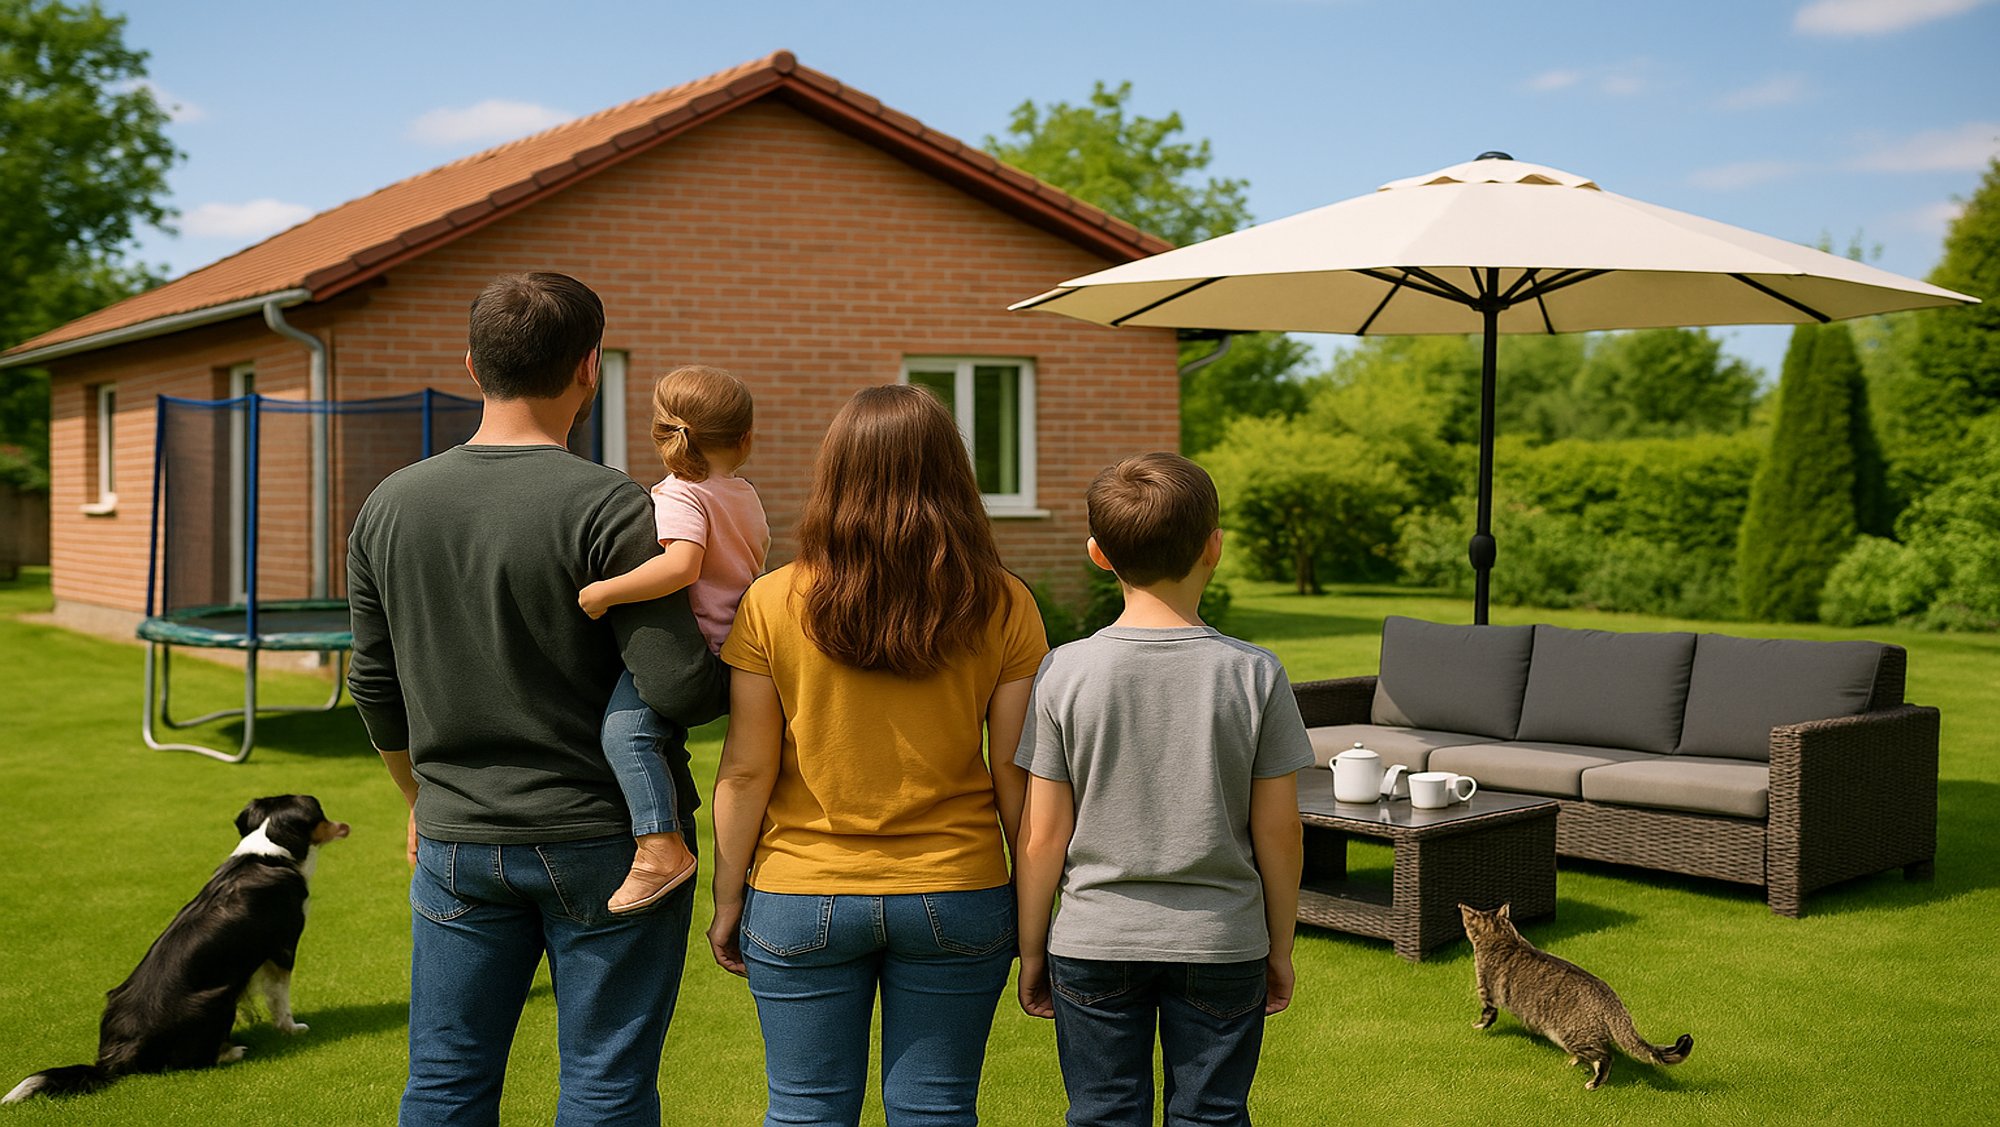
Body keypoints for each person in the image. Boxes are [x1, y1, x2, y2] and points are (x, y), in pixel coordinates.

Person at [347, 272, 729, 1127]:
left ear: (472, 364)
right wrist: (744, 649)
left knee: (446, 1080)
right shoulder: (609, 502)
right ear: (588, 367)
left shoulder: (389, 504)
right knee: (605, 1084)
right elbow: (675, 686)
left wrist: (418, 796)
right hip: (610, 842)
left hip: (455, 837)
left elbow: (372, 682)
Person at [705, 384, 1047, 1127]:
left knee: (804, 1110)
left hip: (799, 892)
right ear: (953, 475)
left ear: (835, 474)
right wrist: (1034, 909)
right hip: (958, 889)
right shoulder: (1004, 602)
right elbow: (1015, 773)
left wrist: (730, 896)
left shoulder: (771, 601)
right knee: (936, 1108)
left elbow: (744, 770)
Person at [1013, 451, 1313, 1127]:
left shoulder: (1064, 672)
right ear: (1215, 547)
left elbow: (1041, 835)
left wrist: (1033, 947)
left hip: (1093, 939)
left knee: (1103, 1113)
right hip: (1222, 940)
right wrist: (1281, 945)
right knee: (1211, 1115)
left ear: (1097, 553)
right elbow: (1280, 832)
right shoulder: (1256, 674)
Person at [578, 364, 769, 914]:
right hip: (736, 646)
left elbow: (681, 566)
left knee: (625, 736)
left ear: (663, 434)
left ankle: (660, 846)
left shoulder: (680, 493)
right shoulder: (743, 493)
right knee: (655, 739)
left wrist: (604, 592)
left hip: (694, 649)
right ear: (746, 438)